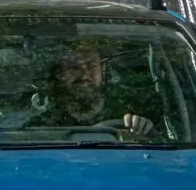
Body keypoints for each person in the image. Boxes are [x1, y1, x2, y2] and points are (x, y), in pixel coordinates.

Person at [20, 43, 154, 135]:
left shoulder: (130, 111)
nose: (84, 75)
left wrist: (141, 129)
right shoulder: (41, 127)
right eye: (74, 67)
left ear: (102, 70)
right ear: (60, 75)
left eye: (92, 66)